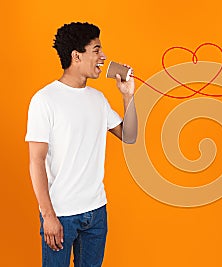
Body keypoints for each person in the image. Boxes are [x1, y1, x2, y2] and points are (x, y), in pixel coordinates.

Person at [25, 22, 138, 267]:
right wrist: (48, 216)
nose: (103, 56)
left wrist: (127, 94)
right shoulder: (44, 100)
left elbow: (129, 136)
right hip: (61, 214)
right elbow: (36, 160)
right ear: (76, 56)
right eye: (96, 50)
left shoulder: (98, 99)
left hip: (96, 212)